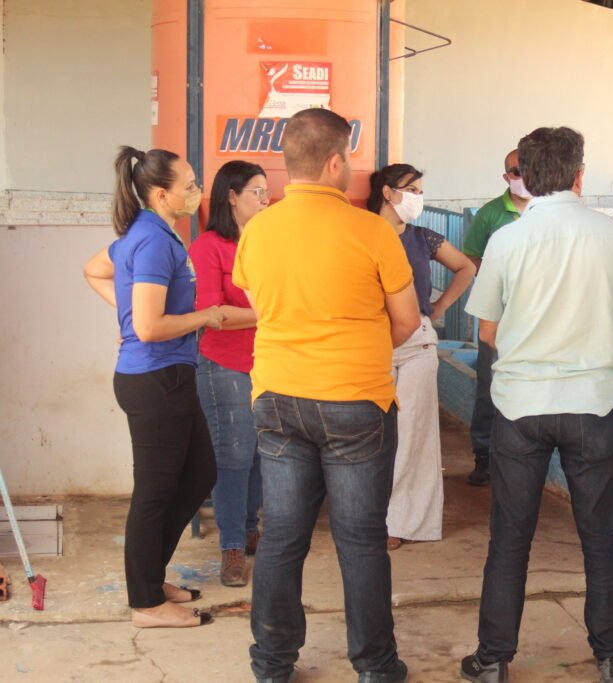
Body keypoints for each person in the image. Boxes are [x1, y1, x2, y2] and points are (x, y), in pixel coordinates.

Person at [234, 109, 420, 683]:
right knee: (360, 540)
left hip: (278, 397)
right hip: (355, 401)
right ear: (336, 162)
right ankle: (375, 667)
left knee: (282, 535)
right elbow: (407, 321)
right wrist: (359, 350)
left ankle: (272, 665)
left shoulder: (258, 229)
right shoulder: (372, 231)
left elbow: (265, 310)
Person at [460, 127, 613, 683]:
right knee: (601, 536)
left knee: (510, 538)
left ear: (526, 176)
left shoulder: (507, 240)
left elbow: (487, 330)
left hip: (521, 406)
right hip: (591, 404)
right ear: (579, 175)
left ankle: (493, 659)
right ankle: (611, 657)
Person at [83, 146, 223, 629]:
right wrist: (205, 317)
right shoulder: (152, 240)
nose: (197, 191)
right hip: (155, 380)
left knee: (199, 473)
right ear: (162, 195)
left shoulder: (150, 233)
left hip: (166, 377)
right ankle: (146, 603)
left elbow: (95, 270)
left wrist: (129, 314)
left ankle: (149, 577)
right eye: (190, 185)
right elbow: (148, 327)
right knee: (155, 493)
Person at [367, 163, 476, 550]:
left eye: (419, 190)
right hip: (371, 344)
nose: (417, 197)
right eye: (410, 189)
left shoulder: (422, 237)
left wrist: (440, 306)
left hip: (416, 343)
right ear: (387, 192)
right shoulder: (363, 232)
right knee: (373, 435)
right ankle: (370, 518)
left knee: (413, 434)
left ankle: (401, 523)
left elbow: (466, 267)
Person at [189, 160, 270, 587]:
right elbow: (212, 314)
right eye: (257, 191)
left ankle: (251, 528)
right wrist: (268, 313)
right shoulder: (209, 246)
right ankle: (232, 546)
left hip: (270, 362)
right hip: (225, 365)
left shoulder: (269, 242)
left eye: (267, 191)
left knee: (261, 453)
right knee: (234, 456)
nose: (266, 199)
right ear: (232, 197)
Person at [461, 149, 531, 486]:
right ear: (506, 177)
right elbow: (471, 258)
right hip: (499, 315)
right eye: (516, 171)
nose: (523, 176)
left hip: (537, 316)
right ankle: (484, 456)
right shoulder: (490, 214)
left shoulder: (546, 210)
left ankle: (523, 456)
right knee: (489, 386)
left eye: (528, 168)